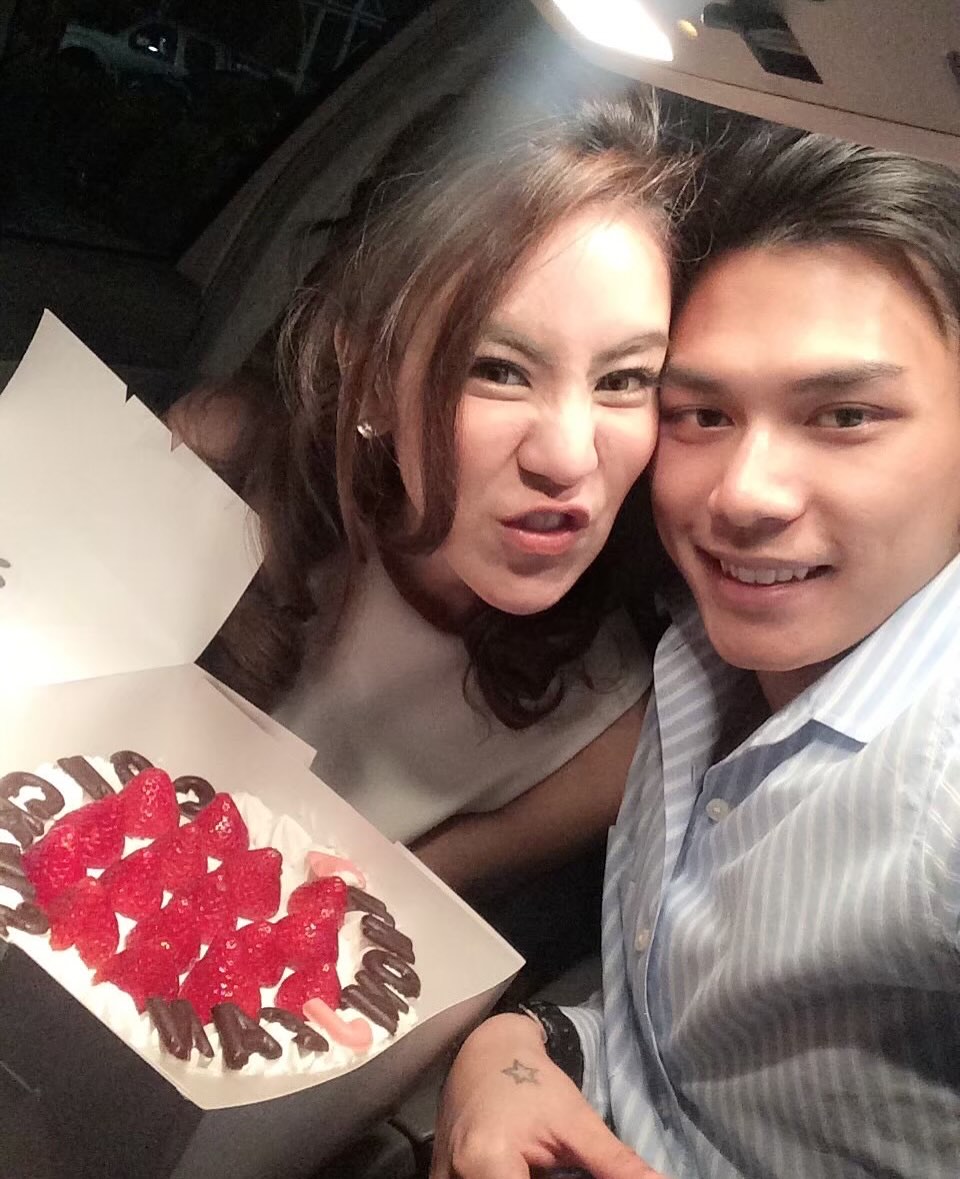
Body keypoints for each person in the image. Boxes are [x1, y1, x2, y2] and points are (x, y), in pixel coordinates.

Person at [431, 126, 960, 1179]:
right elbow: (672, 1049)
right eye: (702, 413)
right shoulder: (696, 654)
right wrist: (519, 1048)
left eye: (845, 415)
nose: (744, 495)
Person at [169, 93, 690, 924]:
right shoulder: (215, 465)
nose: (567, 457)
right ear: (370, 373)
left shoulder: (607, 732)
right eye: (497, 368)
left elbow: (360, 940)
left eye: (625, 380)